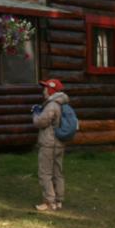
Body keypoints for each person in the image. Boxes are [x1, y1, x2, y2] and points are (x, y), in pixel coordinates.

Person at [32, 78, 69, 211]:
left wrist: (35, 113)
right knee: (57, 172)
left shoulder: (52, 105)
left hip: (49, 143)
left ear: (51, 90)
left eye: (45, 88)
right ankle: (58, 201)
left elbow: (41, 122)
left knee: (45, 173)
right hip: (59, 143)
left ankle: (49, 202)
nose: (44, 90)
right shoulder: (62, 103)